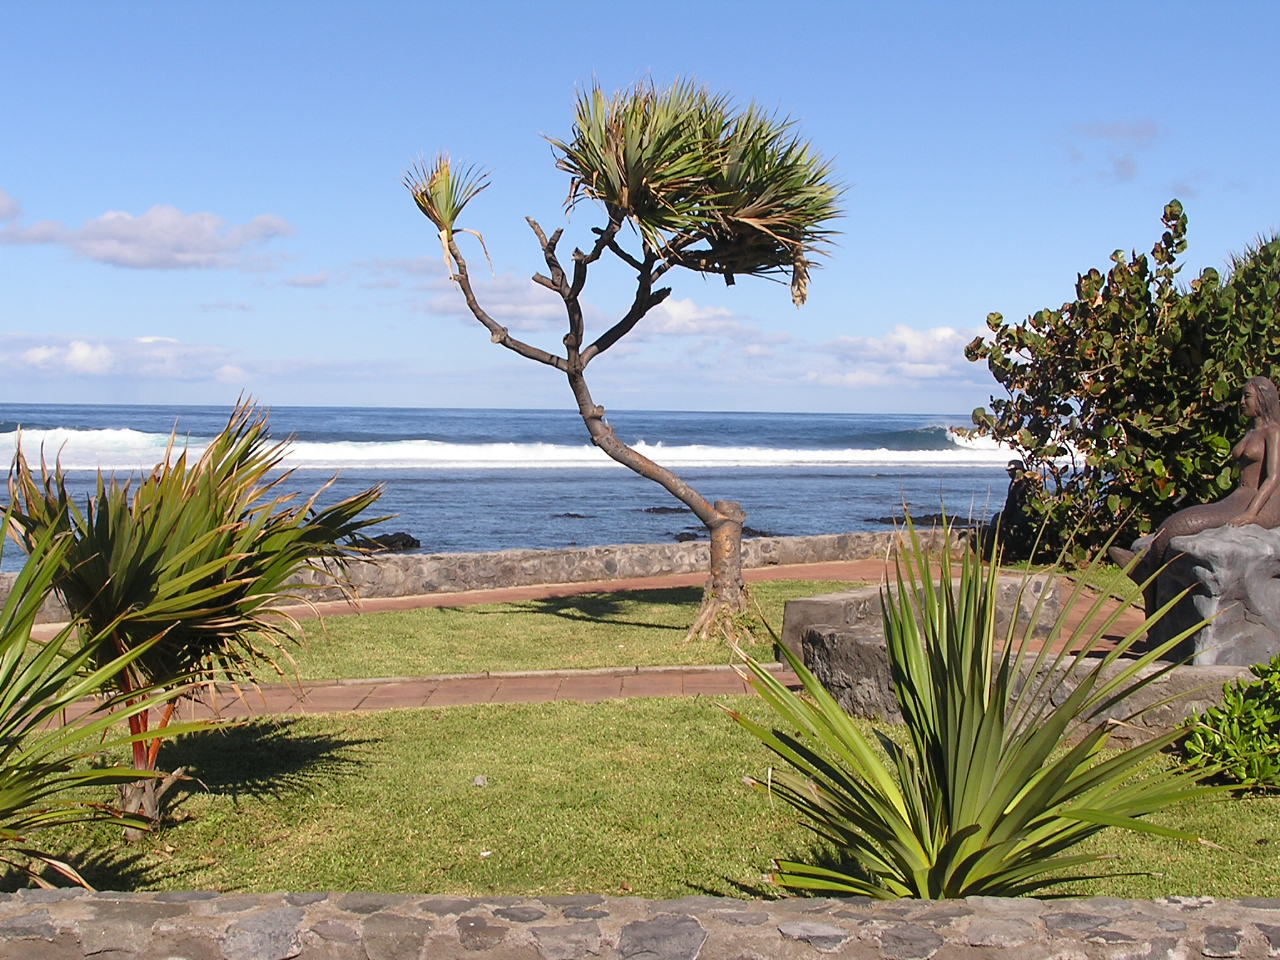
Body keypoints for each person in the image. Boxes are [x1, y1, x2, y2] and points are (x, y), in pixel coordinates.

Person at [1111, 375, 1280, 576]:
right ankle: (1149, 572)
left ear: (1262, 398)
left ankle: (1146, 575)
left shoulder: (1274, 432)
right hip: (1238, 496)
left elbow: (1273, 477)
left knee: (1178, 525)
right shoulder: (1250, 430)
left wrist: (1252, 513)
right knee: (1172, 525)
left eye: (1247, 397)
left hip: (1258, 501)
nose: (1242, 402)